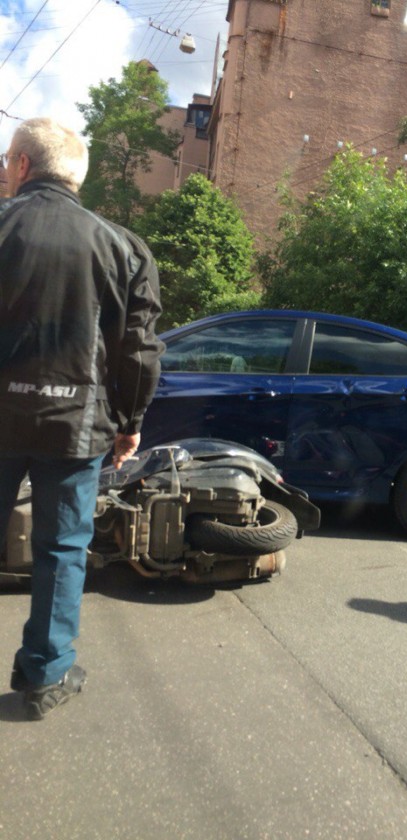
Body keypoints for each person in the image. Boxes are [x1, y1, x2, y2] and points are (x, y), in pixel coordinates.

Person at [0, 118, 164, 720]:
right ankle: (46, 676)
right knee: (62, 549)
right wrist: (130, 421)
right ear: (76, 175)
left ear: (22, 165)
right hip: (76, 424)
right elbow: (139, 350)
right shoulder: (124, 247)